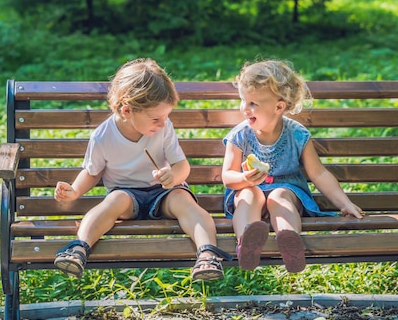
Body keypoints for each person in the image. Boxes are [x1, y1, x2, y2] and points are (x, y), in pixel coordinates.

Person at [53, 58, 231, 280]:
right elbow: (92, 171)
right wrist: (76, 190)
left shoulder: (163, 129)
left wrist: (173, 176)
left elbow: (181, 165)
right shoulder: (103, 136)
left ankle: (207, 254)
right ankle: (78, 249)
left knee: (185, 203)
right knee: (111, 203)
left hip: (163, 191)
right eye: (156, 118)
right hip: (126, 194)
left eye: (166, 117)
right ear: (127, 110)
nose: (163, 123)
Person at [222, 59, 364, 273]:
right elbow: (228, 176)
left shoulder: (297, 134)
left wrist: (345, 203)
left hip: (288, 191)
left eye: (253, 104)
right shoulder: (240, 135)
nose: (245, 108)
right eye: (243, 100)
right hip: (249, 190)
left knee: (280, 195)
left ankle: (290, 243)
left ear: (279, 107)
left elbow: (319, 173)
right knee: (248, 195)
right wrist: (244, 179)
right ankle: (247, 242)